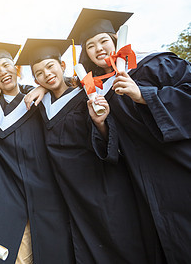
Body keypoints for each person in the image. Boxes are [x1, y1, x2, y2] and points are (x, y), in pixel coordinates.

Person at [68, 8, 191, 263]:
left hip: (178, 164)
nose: (98, 48)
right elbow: (112, 144)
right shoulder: (96, 90)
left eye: (103, 40)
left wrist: (142, 94)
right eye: (90, 46)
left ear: (115, 39)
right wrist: (100, 123)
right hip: (141, 178)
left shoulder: (154, 63)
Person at [18, 38, 155, 263]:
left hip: (101, 183)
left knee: (118, 239)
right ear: (35, 80)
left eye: (51, 66)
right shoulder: (39, 105)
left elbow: (109, 140)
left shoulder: (87, 94)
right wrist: (40, 87)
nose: (47, 74)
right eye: (39, 73)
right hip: (69, 190)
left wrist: (100, 122)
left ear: (63, 66)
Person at [0, 41, 74, 264]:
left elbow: (68, 86)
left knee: (53, 249)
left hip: (46, 190)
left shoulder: (41, 99)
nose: (2, 72)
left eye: (6, 65)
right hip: (7, 193)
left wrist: (43, 88)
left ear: (17, 69)